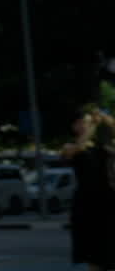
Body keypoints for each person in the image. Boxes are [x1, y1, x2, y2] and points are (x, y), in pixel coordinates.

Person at [63, 105, 115, 271]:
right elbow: (78, 147)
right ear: (74, 126)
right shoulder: (69, 146)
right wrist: (93, 125)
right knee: (94, 256)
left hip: (109, 201)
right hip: (88, 206)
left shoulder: (103, 146)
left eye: (86, 122)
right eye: (81, 122)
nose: (85, 124)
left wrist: (105, 119)